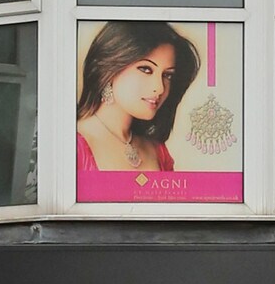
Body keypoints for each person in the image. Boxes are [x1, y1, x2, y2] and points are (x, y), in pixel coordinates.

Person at [76, 21, 199, 176]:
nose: (160, 88)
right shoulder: (71, 145)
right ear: (108, 69)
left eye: (167, 75)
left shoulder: (158, 152)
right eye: (146, 69)